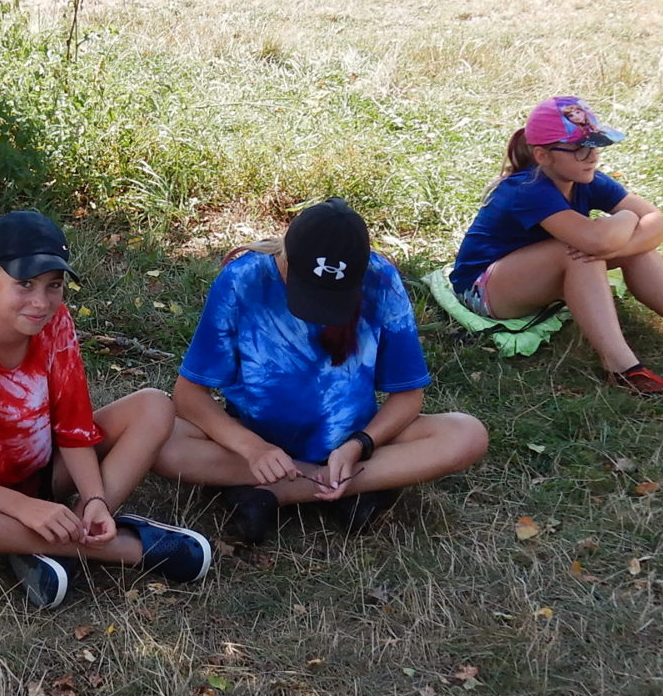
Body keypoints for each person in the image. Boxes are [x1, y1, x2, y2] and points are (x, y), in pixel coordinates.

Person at [0, 210, 212, 610]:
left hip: (38, 475)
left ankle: (72, 527)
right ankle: (125, 548)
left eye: (53, 285)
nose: (41, 302)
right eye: (24, 284)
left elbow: (74, 428)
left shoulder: (55, 323)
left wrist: (95, 498)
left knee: (154, 405)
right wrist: (24, 508)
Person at [155, 198, 488, 543]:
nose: (317, 310)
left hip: (350, 439)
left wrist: (359, 445)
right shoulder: (242, 279)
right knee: (162, 444)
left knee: (466, 434)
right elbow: (188, 395)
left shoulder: (381, 280)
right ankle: (352, 488)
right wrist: (252, 448)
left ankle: (275, 492)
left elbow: (408, 397)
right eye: (307, 290)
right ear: (285, 257)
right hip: (255, 437)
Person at [449, 95, 663, 399]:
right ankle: (620, 366)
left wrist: (617, 246)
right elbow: (596, 240)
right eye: (580, 149)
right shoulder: (527, 189)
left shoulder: (587, 180)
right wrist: (627, 218)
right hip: (482, 290)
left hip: (530, 278)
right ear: (542, 155)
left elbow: (658, 223)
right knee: (578, 252)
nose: (592, 157)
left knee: (629, 249)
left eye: (595, 146)